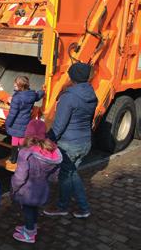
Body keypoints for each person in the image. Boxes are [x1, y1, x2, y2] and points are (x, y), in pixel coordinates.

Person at [44, 62, 97, 219]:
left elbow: (59, 125)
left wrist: (48, 139)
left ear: (72, 77)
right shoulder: (92, 95)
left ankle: (64, 206)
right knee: (72, 174)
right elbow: (88, 121)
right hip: (85, 142)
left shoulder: (69, 97)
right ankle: (81, 207)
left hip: (69, 145)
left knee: (66, 176)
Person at [11, 119, 62, 244]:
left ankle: (29, 234)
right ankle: (31, 227)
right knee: (34, 209)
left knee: (28, 210)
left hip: (28, 189)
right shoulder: (51, 151)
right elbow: (55, 175)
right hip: (42, 188)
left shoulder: (25, 152)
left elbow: (20, 176)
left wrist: (14, 187)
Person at [5, 76, 44, 164]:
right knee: (22, 140)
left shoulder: (17, 98)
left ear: (20, 86)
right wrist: (43, 90)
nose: (14, 86)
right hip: (26, 121)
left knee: (15, 140)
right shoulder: (32, 94)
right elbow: (38, 96)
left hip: (15, 123)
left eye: (15, 85)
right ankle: (22, 159)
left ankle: (13, 158)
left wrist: (7, 124)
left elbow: (12, 114)